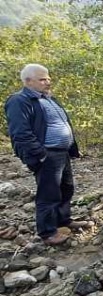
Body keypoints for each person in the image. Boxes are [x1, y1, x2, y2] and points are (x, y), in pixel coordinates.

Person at [4, 64, 82, 245]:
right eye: (42, 79)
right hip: (47, 154)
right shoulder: (19, 100)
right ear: (28, 81)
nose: (47, 82)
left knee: (66, 188)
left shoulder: (47, 98)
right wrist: (41, 154)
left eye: (48, 78)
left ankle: (63, 220)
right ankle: (47, 232)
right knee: (49, 194)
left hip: (62, 153)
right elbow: (20, 132)